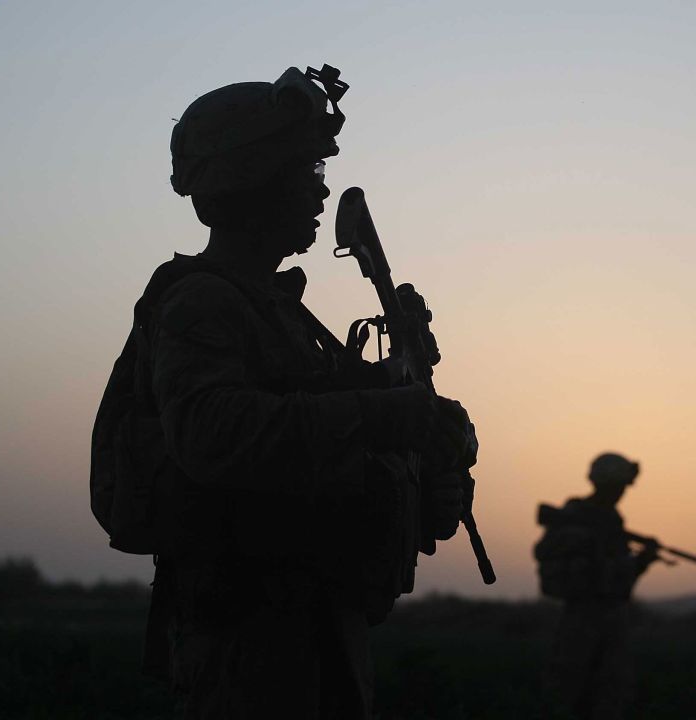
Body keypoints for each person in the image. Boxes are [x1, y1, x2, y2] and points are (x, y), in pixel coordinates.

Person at [91, 64, 475, 718]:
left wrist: (432, 461)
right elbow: (215, 436)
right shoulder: (203, 304)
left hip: (318, 635)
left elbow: (337, 457)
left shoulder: (281, 317)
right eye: (307, 171)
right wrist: (386, 416)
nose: (321, 192)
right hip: (253, 649)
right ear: (255, 180)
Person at [534, 453, 658, 720]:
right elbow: (604, 576)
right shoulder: (576, 517)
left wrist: (640, 563)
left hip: (608, 617)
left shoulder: (610, 520)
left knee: (610, 694)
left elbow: (617, 582)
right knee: (569, 694)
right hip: (582, 618)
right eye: (620, 485)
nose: (622, 492)